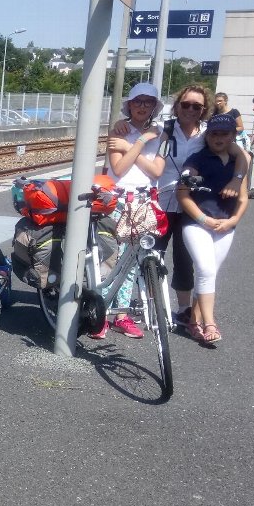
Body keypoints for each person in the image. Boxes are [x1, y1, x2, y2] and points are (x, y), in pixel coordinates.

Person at [113, 83, 211, 328]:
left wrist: (240, 176)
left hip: (191, 203)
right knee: (149, 255)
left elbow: (232, 148)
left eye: (196, 106)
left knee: (185, 257)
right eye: (185, 104)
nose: (190, 109)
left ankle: (184, 310)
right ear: (176, 106)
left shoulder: (208, 134)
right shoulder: (165, 129)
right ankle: (152, 307)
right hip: (160, 201)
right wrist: (124, 137)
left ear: (204, 109)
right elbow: (146, 166)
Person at [92, 82, 165, 339]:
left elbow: (156, 171)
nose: (143, 106)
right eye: (138, 101)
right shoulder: (119, 131)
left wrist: (135, 145)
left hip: (143, 201)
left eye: (148, 102)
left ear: (155, 106)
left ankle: (121, 315)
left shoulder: (161, 134)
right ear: (130, 105)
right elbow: (119, 169)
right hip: (117, 200)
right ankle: (99, 315)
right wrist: (139, 143)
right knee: (109, 258)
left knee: (133, 262)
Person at [176, 113, 249, 345]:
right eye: (214, 134)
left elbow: (244, 198)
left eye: (224, 134)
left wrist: (233, 221)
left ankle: (194, 321)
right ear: (207, 136)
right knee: (206, 270)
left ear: (232, 136)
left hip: (226, 226)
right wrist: (203, 219)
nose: (219, 138)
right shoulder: (197, 160)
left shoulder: (238, 162)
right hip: (197, 224)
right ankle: (210, 324)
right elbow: (182, 193)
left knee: (208, 275)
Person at [213, 92, 253, 164]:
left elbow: (241, 127)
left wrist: (227, 131)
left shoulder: (234, 112)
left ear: (225, 101)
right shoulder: (214, 114)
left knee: (238, 161)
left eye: (220, 101)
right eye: (216, 101)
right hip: (217, 143)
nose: (218, 103)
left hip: (232, 142)